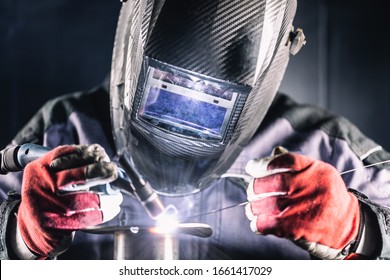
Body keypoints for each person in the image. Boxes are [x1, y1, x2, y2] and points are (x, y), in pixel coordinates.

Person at [1, 0, 390, 260]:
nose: (181, 122)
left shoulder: (325, 147)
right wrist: (21, 234)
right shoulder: (63, 130)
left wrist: (356, 227)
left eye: (210, 103)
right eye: (167, 90)